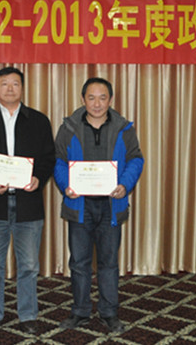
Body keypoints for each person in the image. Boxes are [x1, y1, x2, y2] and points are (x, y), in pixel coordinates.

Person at [0, 67, 55, 335]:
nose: (9, 88)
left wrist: (39, 178)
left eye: (15, 83)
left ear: (22, 88)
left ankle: (27, 315)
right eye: (4, 83)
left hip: (28, 202)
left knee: (28, 265)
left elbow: (48, 158)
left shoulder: (38, 120)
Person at [53, 77, 144, 334]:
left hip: (110, 206)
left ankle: (109, 312)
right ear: (83, 99)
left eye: (102, 98)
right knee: (79, 262)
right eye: (91, 98)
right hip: (79, 205)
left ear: (110, 100)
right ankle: (80, 311)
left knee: (108, 263)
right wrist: (66, 185)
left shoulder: (124, 128)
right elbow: (58, 160)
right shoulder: (68, 128)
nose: (97, 103)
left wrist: (125, 184)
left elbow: (135, 159)